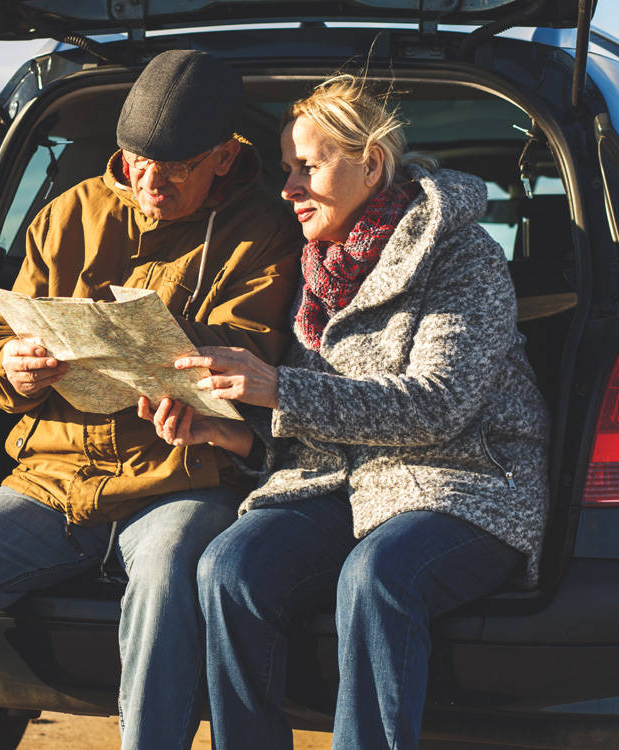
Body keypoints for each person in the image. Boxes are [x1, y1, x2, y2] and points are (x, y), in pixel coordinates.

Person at [0, 50, 301, 750]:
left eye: (174, 169)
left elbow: (251, 348)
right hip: (50, 479)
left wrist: (193, 390)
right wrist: (13, 370)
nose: (150, 183)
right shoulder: (65, 214)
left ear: (224, 158)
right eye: (136, 163)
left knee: (170, 572)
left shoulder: (264, 228)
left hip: (178, 478)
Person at [139, 73, 551, 750]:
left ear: (370, 162)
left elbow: (438, 406)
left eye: (307, 166)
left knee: (375, 576)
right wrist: (236, 436)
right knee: (229, 567)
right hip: (347, 487)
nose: (287, 188)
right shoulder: (320, 269)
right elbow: (317, 436)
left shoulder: (463, 255)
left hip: (467, 484)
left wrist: (280, 390)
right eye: (284, 170)